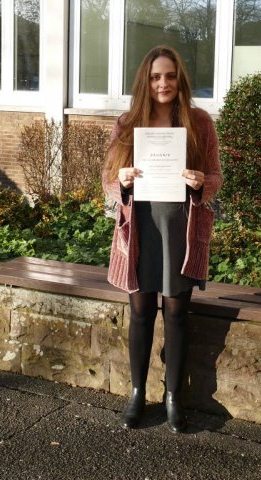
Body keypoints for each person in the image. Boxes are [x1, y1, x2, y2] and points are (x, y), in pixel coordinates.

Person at [102, 45, 222, 433]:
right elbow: (107, 180)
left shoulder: (199, 122)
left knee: (176, 313)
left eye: (170, 76)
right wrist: (121, 180)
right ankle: (137, 393)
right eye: (155, 77)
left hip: (180, 232)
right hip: (139, 231)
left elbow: (216, 178)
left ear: (179, 79)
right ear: (146, 81)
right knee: (140, 313)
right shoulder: (128, 123)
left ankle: (173, 396)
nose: (163, 83)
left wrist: (202, 182)